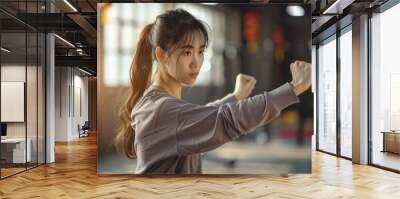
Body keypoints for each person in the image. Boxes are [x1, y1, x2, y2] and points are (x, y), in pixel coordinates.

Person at [115, 9, 311, 175]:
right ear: (160, 54)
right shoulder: (161, 109)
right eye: (186, 52)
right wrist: (295, 87)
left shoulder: (159, 101)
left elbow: (201, 116)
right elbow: (226, 119)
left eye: (200, 51)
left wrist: (235, 97)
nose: (196, 62)